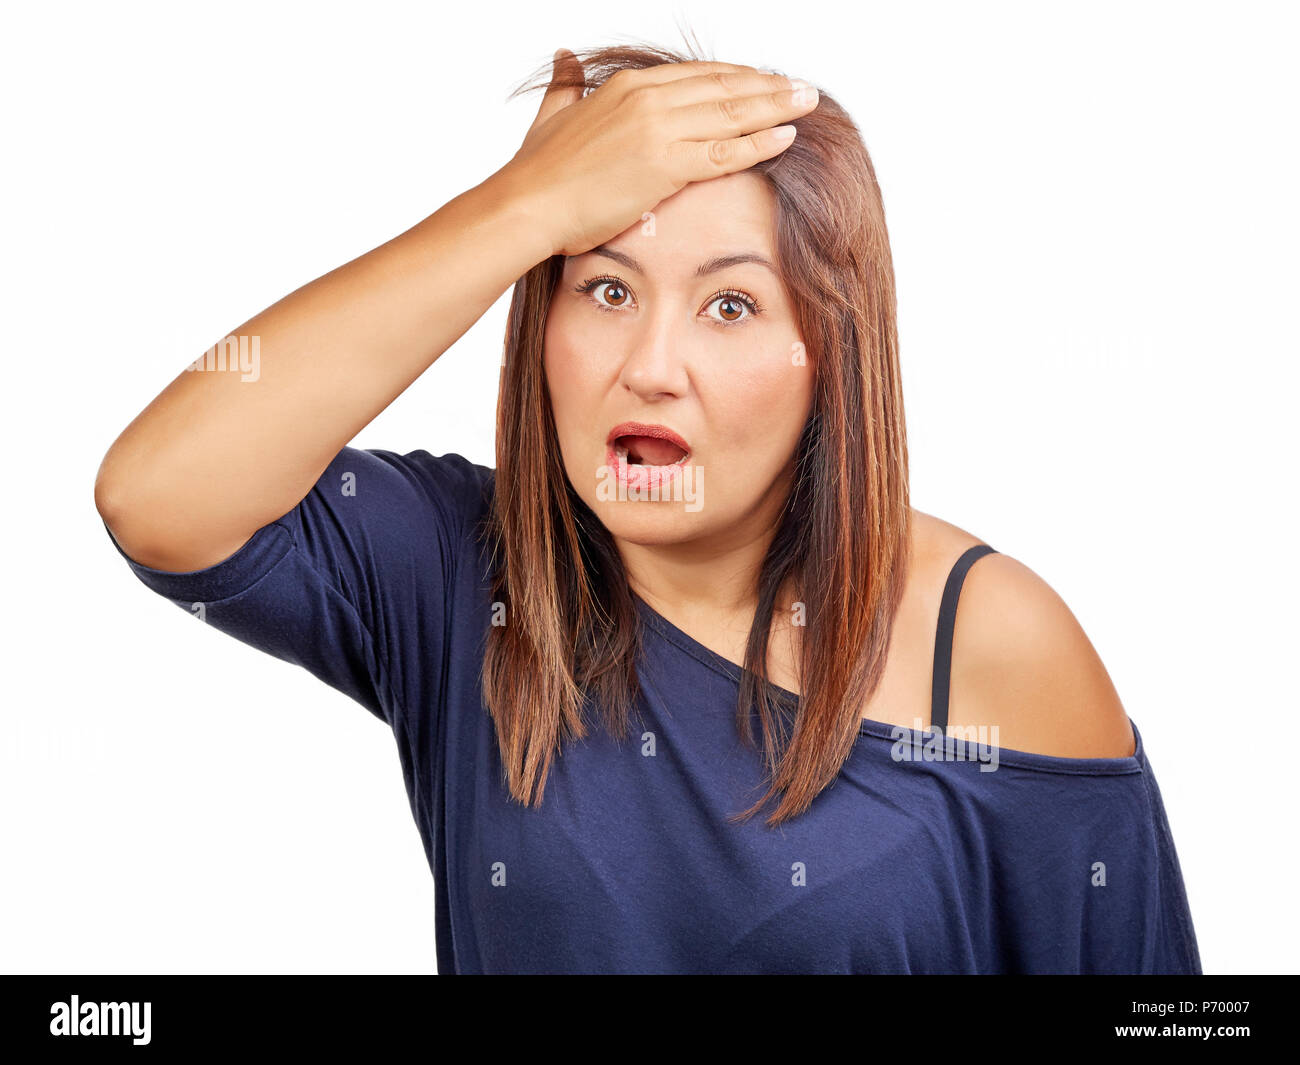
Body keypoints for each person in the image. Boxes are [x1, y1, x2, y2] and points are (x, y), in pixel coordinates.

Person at [95, 42, 1201, 974]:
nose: (651, 366)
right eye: (606, 289)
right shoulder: (456, 575)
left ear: (828, 356)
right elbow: (157, 495)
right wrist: (521, 206)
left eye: (729, 304)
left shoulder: (987, 641)